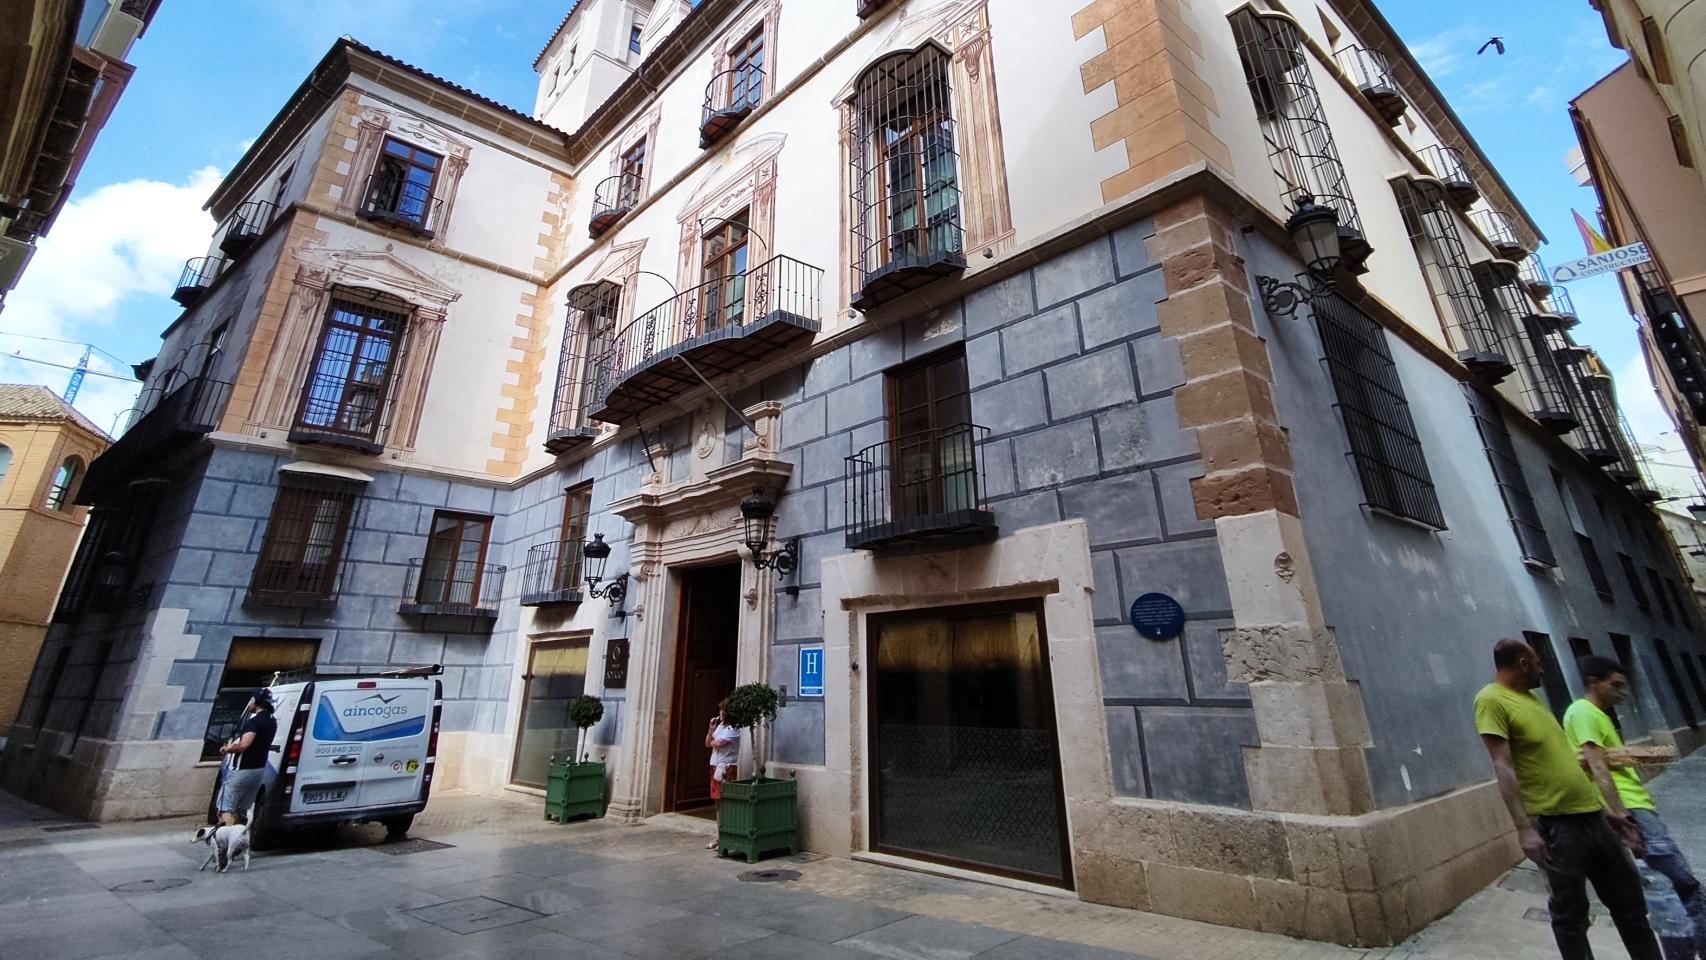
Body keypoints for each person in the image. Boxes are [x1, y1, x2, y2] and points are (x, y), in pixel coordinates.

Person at [1474, 637, 1661, 960]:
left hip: (1594, 819)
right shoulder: (1491, 700)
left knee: (1630, 904)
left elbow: (1561, 762)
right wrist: (1524, 829)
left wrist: (1605, 812)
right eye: (1538, 663)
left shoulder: (1533, 702)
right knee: (1570, 915)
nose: (1542, 669)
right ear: (1522, 662)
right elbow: (1502, 766)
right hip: (1557, 824)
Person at [1565, 654, 1706, 955]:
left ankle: (1681, 951)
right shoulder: (1583, 711)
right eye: (1615, 685)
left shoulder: (1597, 715)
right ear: (1593, 683)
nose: (1623, 693)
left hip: (1636, 807)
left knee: (1664, 891)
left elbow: (1604, 761)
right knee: (1681, 886)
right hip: (1633, 810)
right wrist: (1621, 815)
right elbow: (1597, 765)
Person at [217, 689, 277, 826]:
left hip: (243, 769)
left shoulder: (254, 722)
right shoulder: (271, 721)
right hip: (259, 768)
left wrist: (229, 748)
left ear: (255, 701)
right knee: (242, 809)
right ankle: (240, 839)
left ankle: (226, 840)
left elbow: (244, 745)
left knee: (225, 807)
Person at [704, 697, 739, 850]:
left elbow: (718, 744)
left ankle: (727, 836)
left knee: (725, 802)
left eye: (724, 710)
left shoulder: (734, 729)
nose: (721, 713)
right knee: (717, 802)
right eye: (720, 710)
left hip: (726, 769)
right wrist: (711, 729)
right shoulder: (720, 727)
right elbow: (708, 743)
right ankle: (719, 835)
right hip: (714, 766)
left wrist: (712, 741)